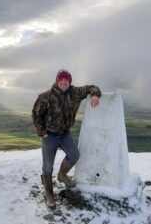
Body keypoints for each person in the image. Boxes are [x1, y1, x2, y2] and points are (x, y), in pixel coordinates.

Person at [32, 69, 101, 209]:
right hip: (49, 136)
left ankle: (62, 175)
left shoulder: (75, 92)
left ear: (70, 81)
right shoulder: (46, 96)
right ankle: (50, 194)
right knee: (47, 167)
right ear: (57, 81)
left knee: (74, 155)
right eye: (61, 79)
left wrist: (95, 95)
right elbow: (36, 114)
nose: (64, 82)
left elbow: (92, 87)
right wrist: (42, 132)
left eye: (66, 80)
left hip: (65, 134)